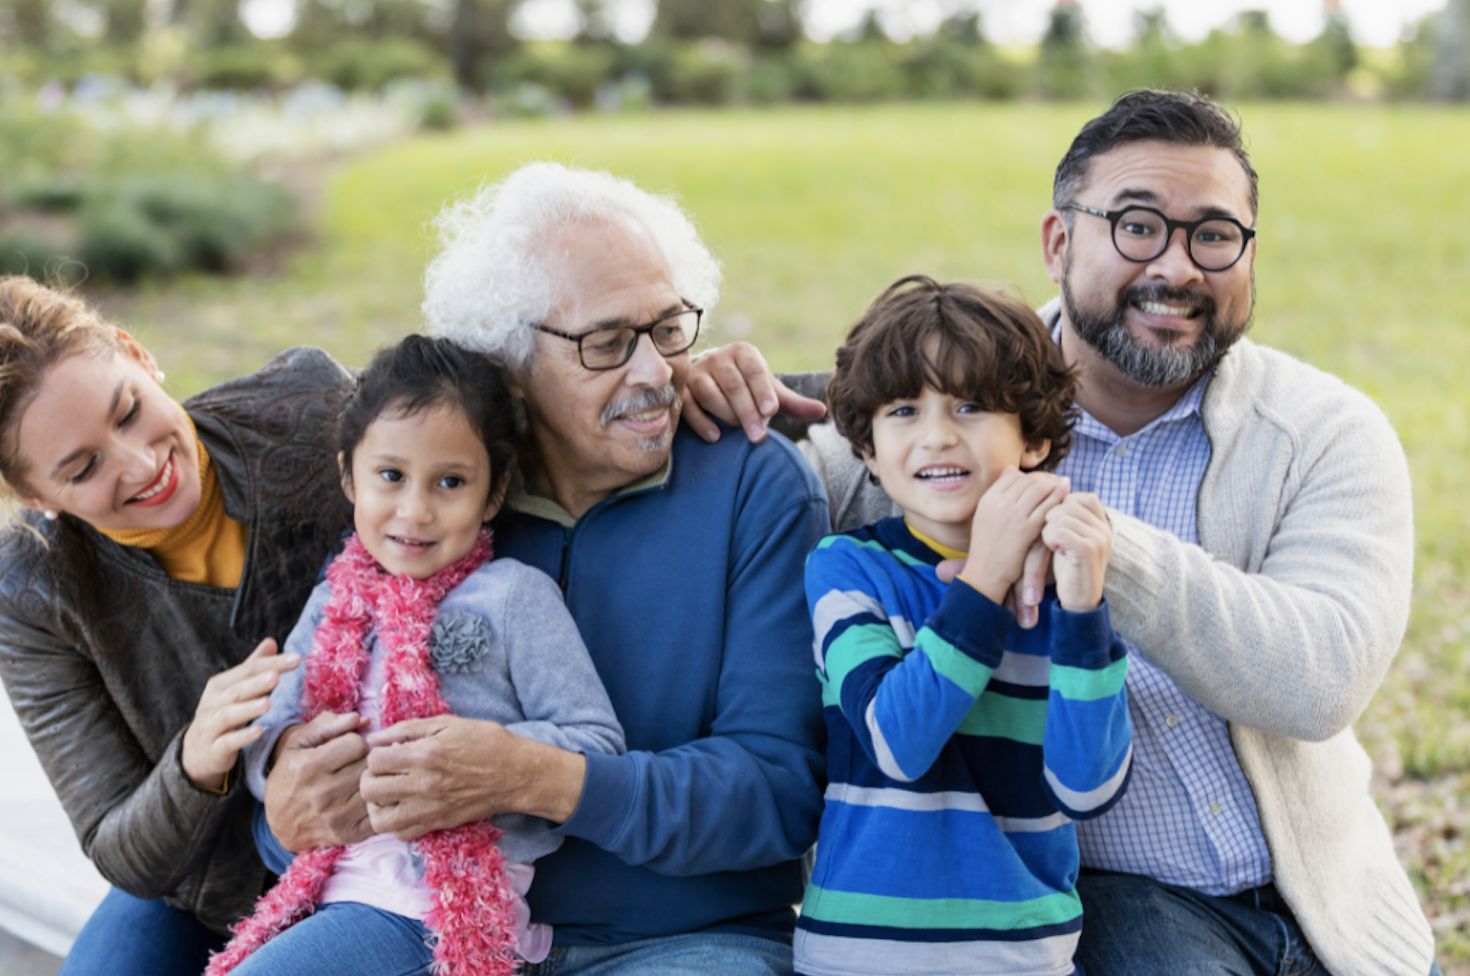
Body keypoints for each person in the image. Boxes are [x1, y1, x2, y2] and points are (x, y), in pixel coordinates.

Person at [685, 89, 1438, 976]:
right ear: (1058, 242)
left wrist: (1096, 543)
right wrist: (699, 376)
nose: (1179, 266)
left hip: (1329, 910)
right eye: (1137, 226)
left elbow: (1321, 681)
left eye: (1214, 235)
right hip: (1119, 902)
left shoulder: (1323, 431)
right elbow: (843, 415)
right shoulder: (931, 449)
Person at [259, 162, 831, 975]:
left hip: (689, 939)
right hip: (428, 924)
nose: (654, 373)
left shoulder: (752, 482)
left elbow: (776, 793)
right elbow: (320, 765)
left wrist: (538, 776)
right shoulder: (439, 503)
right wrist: (286, 806)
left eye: (670, 329)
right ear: (508, 367)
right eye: (607, 343)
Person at [0, 276, 357, 975]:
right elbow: (118, 846)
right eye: (83, 468)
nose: (140, 463)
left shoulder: (310, 410)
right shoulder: (26, 592)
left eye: (127, 412)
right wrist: (194, 762)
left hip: (384, 836)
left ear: (135, 351)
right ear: (36, 496)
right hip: (213, 885)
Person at [204, 334, 625, 976]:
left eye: (450, 482)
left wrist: (485, 757)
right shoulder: (333, 598)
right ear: (349, 473)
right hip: (330, 889)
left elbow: (597, 743)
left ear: (492, 494)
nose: (415, 510)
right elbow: (270, 733)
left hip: (433, 908)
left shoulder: (513, 597)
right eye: (391, 476)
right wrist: (291, 755)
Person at [795, 276, 1132, 976]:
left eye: (972, 406)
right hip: (861, 955)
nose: (938, 435)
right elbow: (898, 739)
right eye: (904, 410)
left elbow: (1087, 788)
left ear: (1035, 439)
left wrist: (1083, 613)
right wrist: (986, 580)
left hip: (1024, 956)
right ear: (866, 450)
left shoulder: (1065, 590)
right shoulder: (850, 570)